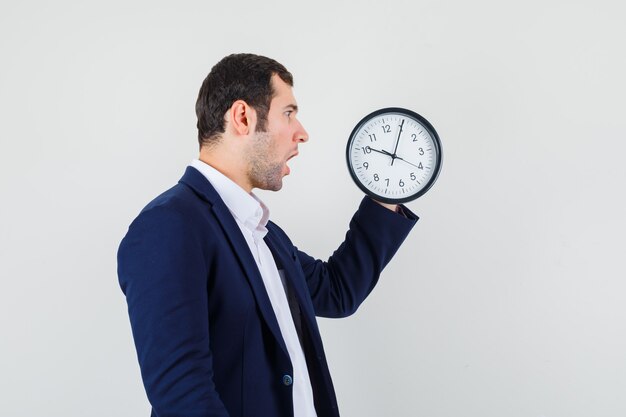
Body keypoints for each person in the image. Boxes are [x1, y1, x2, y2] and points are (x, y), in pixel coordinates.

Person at [117, 53, 417, 417]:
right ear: (243, 117)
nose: (301, 132)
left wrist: (387, 189)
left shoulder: (262, 233)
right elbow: (183, 396)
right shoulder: (170, 225)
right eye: (288, 113)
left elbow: (337, 291)